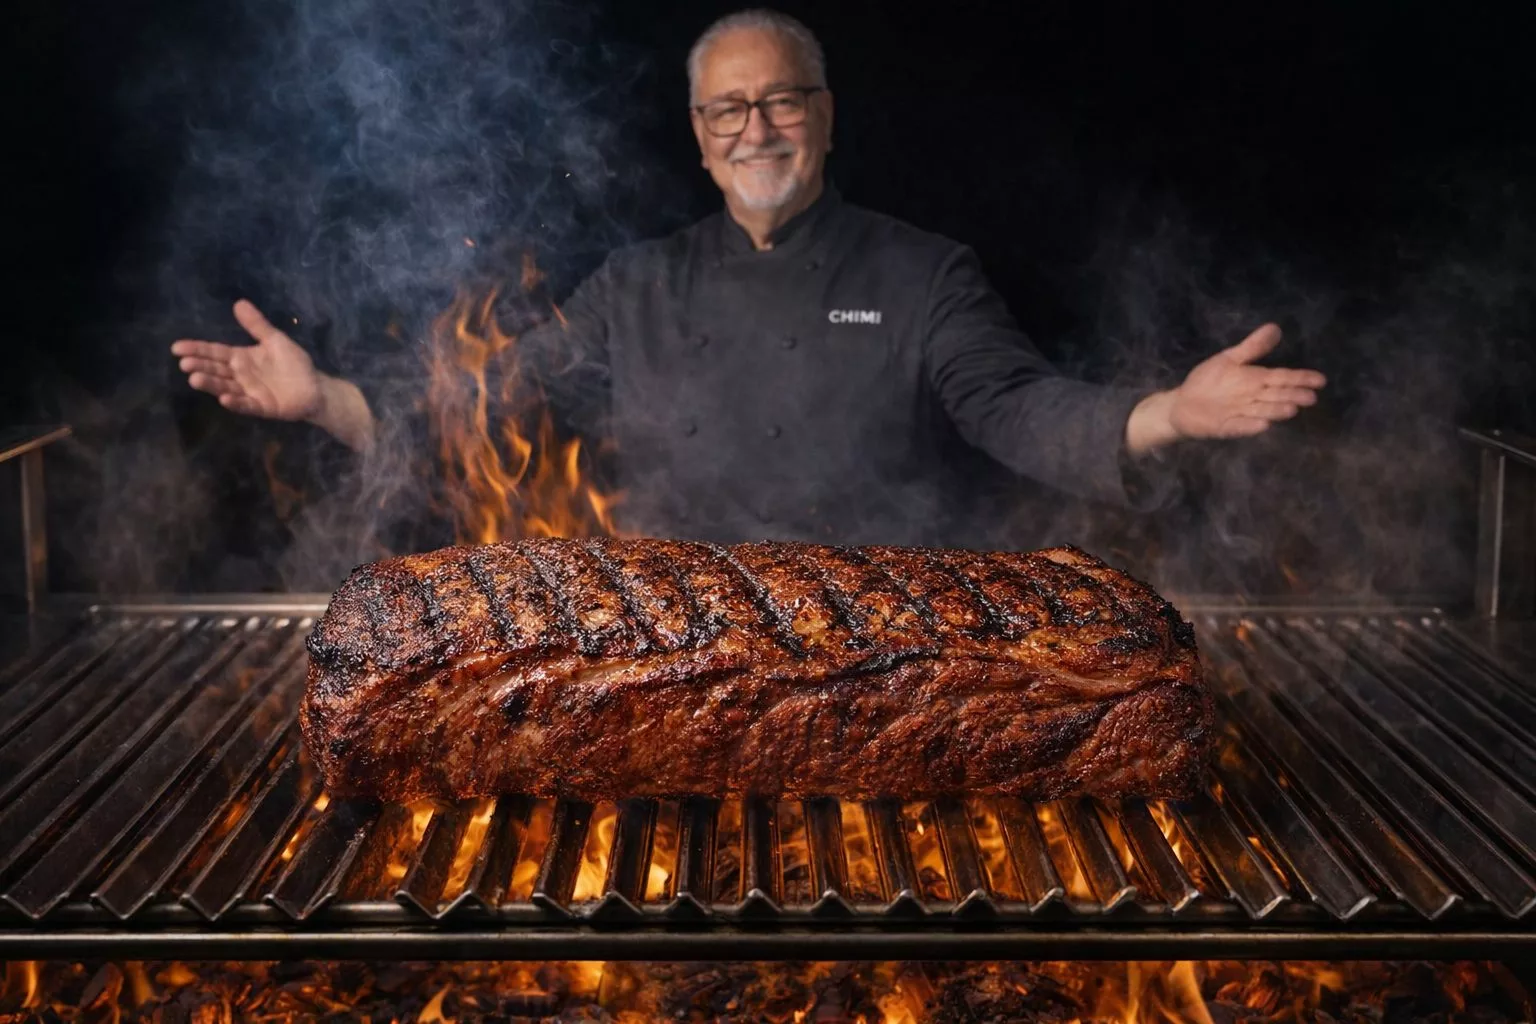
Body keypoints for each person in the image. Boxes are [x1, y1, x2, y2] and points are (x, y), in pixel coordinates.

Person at [171, 8, 1325, 546]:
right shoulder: (637, 282)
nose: (756, 127)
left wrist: (1167, 412)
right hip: (680, 649)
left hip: (881, 649)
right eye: (729, 107)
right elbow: (490, 408)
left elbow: (1017, 407)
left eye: (780, 99)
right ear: (700, 133)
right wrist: (321, 398)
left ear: (823, 116)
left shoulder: (926, 273)